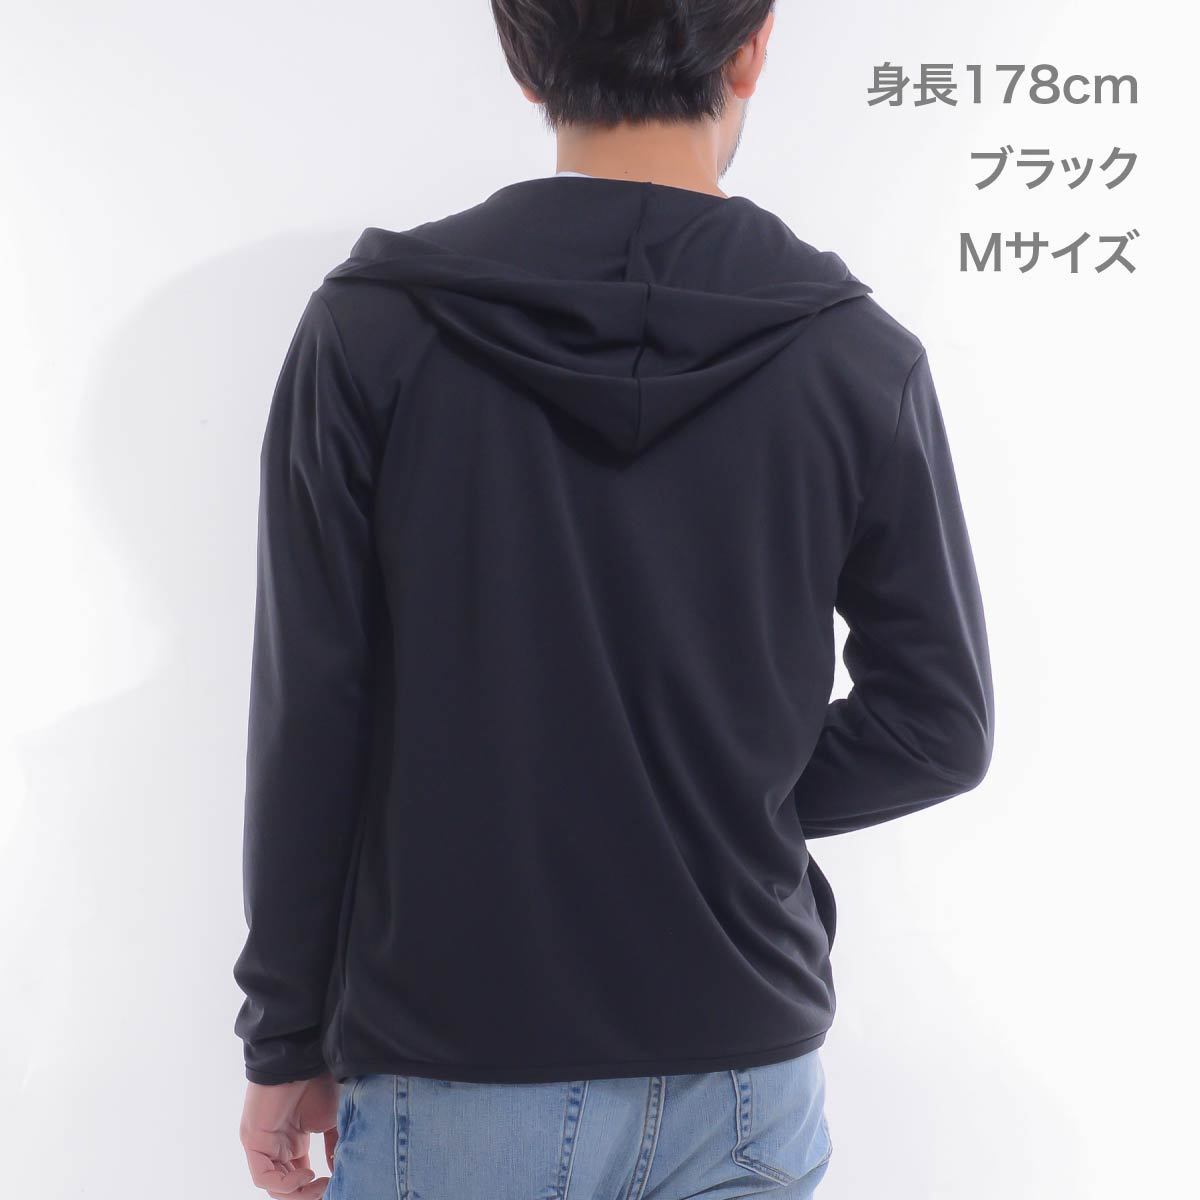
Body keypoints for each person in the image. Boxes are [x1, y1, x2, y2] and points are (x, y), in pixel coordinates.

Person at [232, 2, 995, 1196]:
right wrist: (716, 799)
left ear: (521, 55)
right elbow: (938, 726)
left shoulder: (371, 330)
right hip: (744, 1070)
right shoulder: (857, 356)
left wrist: (284, 1035)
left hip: (456, 1059)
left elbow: (314, 715)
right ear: (754, 45)